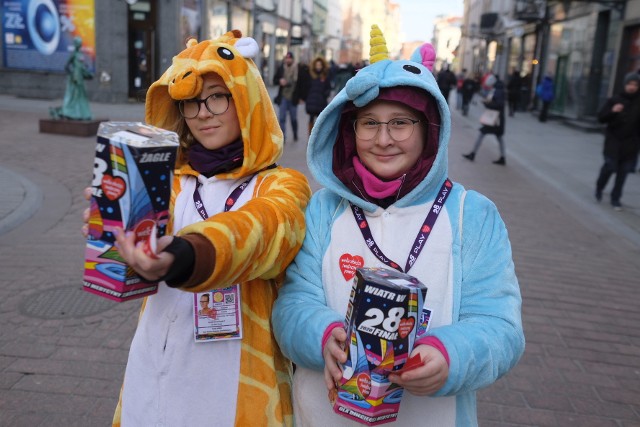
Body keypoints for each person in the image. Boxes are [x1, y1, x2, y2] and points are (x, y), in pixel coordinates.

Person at [272, 25, 524, 426]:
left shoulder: (471, 215)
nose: (383, 139)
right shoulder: (323, 209)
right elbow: (292, 305)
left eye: (401, 123)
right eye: (369, 123)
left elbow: (500, 326)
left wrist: (449, 355)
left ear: (429, 130)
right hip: (324, 415)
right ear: (350, 130)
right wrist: (323, 336)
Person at [83, 31, 311, 426]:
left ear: (246, 98)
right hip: (155, 365)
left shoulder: (281, 184)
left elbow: (266, 229)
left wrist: (185, 254)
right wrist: (114, 225)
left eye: (217, 96)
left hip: (233, 384)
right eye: (189, 102)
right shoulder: (169, 182)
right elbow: (135, 253)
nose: (203, 112)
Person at [595, 72, 640, 210]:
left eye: (635, 85)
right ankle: (599, 187)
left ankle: (616, 198)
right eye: (629, 84)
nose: (632, 87)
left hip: (631, 144)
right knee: (610, 167)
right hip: (613, 141)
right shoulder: (615, 99)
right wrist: (613, 111)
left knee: (623, 172)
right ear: (625, 84)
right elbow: (601, 118)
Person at [463, 78, 507, 165]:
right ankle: (502, 157)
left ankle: (473, 153)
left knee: (483, 134)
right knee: (498, 137)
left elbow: (498, 104)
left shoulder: (498, 91)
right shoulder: (500, 90)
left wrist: (487, 104)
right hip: (497, 119)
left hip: (495, 120)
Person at [50, 36, 93, 120]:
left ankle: (81, 113)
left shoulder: (80, 54)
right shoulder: (74, 54)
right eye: (78, 44)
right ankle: (71, 112)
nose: (79, 46)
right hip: (75, 79)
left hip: (80, 77)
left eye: (79, 44)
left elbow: (82, 66)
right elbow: (66, 66)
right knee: (74, 96)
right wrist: (71, 74)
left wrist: (85, 68)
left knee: (81, 96)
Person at [273, 51, 300, 142]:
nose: (288, 60)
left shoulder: (297, 69)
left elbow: (301, 83)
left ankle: (295, 133)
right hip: (283, 96)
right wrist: (280, 81)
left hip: (293, 97)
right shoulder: (281, 68)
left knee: (293, 118)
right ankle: (283, 137)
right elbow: (275, 80)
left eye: (289, 58)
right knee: (282, 118)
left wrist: (301, 97)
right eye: (286, 58)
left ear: (292, 59)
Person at [303, 56, 332, 135]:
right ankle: (310, 136)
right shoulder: (310, 75)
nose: (318, 66)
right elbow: (306, 87)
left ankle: (318, 136)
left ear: (322, 66)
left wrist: (326, 94)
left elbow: (328, 88)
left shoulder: (325, 76)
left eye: (320, 65)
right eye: (317, 65)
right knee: (311, 119)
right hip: (312, 101)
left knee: (320, 121)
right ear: (314, 65)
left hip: (321, 102)